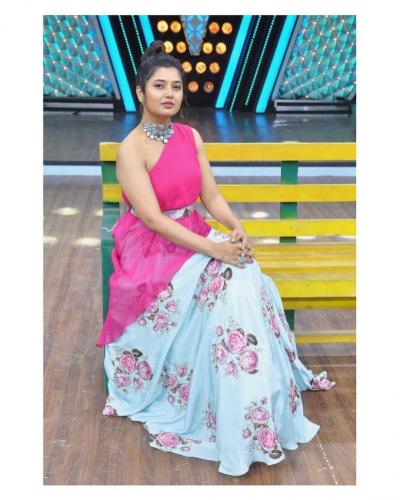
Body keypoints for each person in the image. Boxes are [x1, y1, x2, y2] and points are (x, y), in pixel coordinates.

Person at [97, 39, 335, 477]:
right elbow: (152, 219)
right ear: (140, 92)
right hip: (153, 249)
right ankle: (229, 407)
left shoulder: (190, 136)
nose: (169, 94)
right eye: (159, 86)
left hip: (194, 231)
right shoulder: (131, 149)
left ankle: (249, 409)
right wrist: (216, 249)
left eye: (176, 87)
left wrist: (235, 227)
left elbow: (210, 196)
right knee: (229, 277)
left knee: (244, 275)